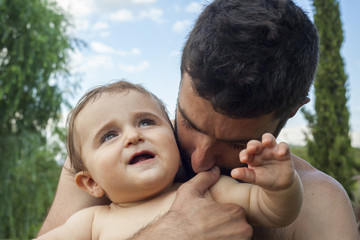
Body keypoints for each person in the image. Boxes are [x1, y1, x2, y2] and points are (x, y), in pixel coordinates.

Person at [38, 0, 359, 239]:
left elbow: (274, 207)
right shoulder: (101, 164)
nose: (200, 159)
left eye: (234, 143)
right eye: (190, 123)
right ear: (179, 79)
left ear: (291, 110)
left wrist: (283, 188)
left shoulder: (318, 202)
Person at [37, 80, 302, 239]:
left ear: (174, 140)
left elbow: (274, 211)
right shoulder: (91, 223)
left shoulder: (210, 191)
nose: (132, 136)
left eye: (145, 121)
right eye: (108, 136)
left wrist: (281, 187)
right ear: (91, 182)